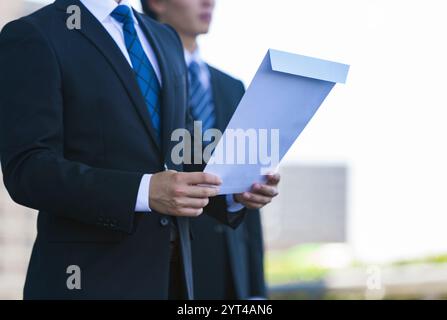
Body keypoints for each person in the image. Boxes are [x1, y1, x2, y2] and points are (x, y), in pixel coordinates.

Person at [0, 0, 279, 299]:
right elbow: (29, 169)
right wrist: (144, 191)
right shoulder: (35, 35)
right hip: (90, 284)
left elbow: (182, 147)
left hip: (174, 283)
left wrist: (233, 191)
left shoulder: (164, 38)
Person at [141, 0, 268, 299]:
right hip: (169, 264)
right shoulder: (143, 80)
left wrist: (256, 291)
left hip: (230, 268)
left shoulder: (231, 86)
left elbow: (245, 190)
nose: (209, 1)